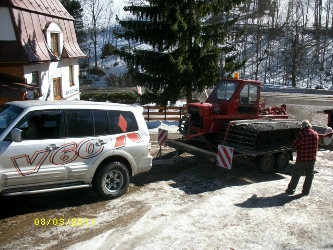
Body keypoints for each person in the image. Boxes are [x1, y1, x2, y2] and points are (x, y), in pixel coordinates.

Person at [286, 120, 319, 196]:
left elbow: (294, 146)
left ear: (303, 127)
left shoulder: (302, 135)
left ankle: (291, 190)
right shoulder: (315, 134)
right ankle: (306, 191)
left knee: (296, 175)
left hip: (302, 159)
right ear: (309, 125)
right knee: (309, 176)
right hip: (312, 159)